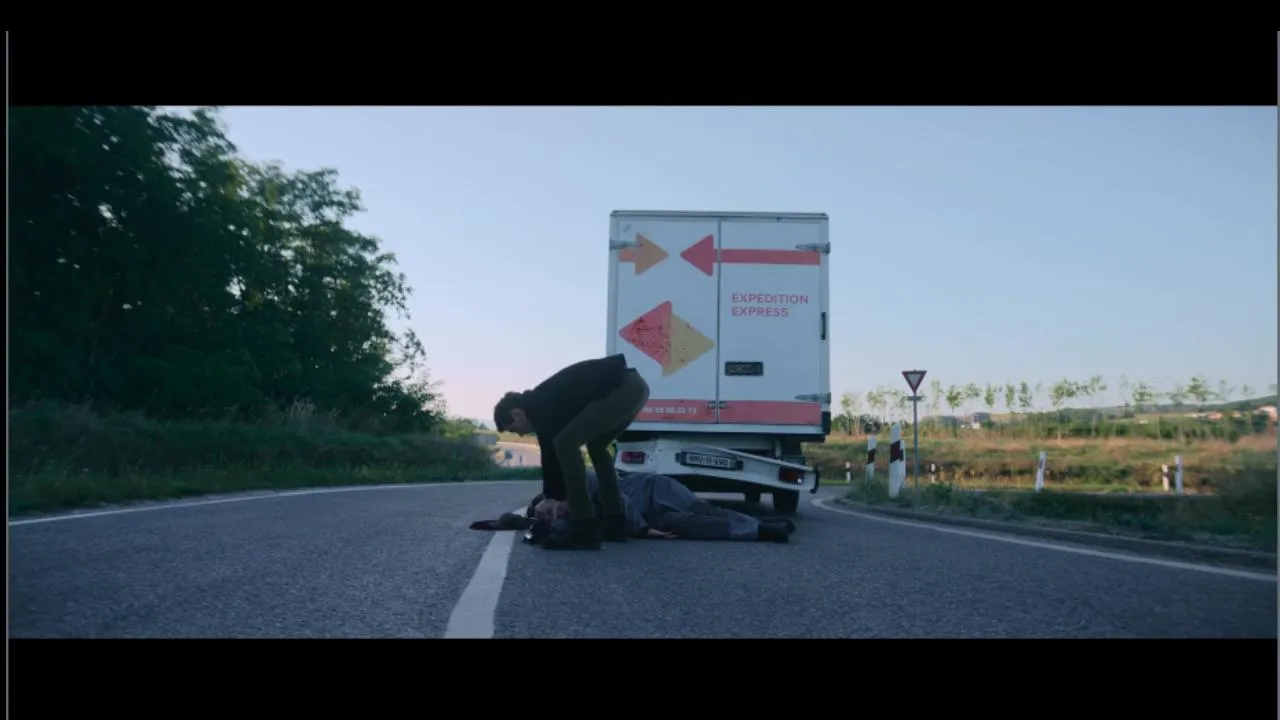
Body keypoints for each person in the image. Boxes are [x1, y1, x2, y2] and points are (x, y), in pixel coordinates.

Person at [493, 353, 650, 550]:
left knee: (566, 444)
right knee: (596, 446)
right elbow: (550, 454)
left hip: (623, 388)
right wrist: (553, 495)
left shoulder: (539, 405)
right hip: (635, 387)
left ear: (516, 414)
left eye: (515, 430)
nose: (521, 435)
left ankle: (584, 527)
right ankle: (615, 522)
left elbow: (550, 451)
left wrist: (553, 497)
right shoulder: (541, 404)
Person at [527, 470, 795, 548]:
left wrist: (643, 531)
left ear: (556, 496)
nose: (560, 515)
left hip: (655, 490)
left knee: (704, 510)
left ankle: (762, 525)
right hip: (651, 515)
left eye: (555, 510)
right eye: (553, 518)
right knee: (689, 525)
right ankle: (763, 530)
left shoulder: (581, 480)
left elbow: (619, 500)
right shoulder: (571, 516)